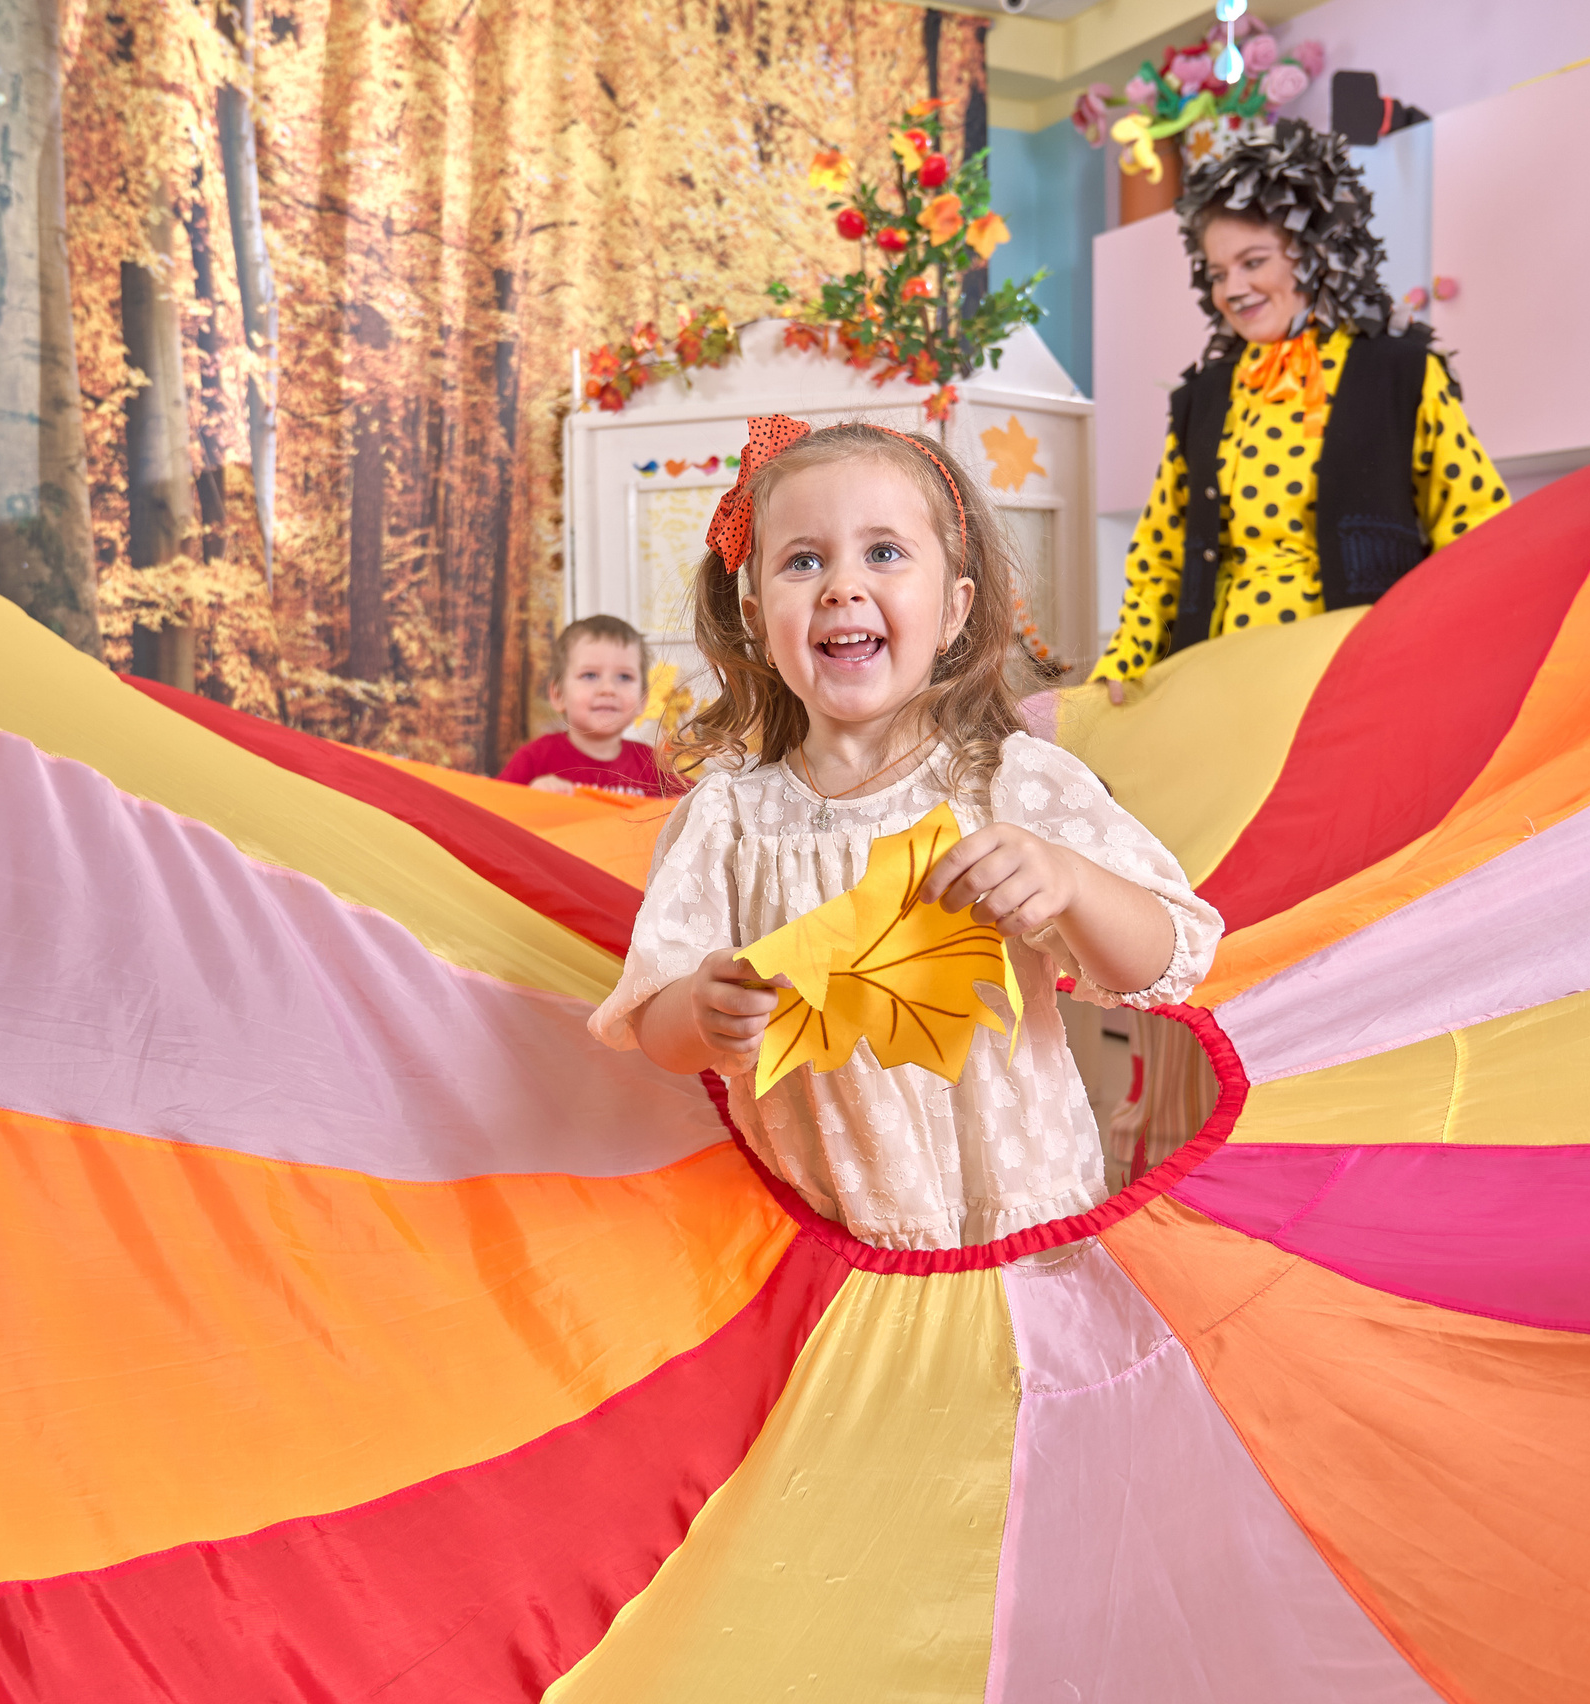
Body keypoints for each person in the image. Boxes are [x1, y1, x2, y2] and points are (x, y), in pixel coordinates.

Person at [588, 417, 1223, 1251]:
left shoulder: (1012, 785)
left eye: (883, 553)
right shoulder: (728, 821)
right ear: (756, 618)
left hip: (1021, 1215)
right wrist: (703, 1011)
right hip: (826, 1237)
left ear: (955, 608)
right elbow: (657, 1027)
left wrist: (1069, 880)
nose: (842, 586)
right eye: (803, 560)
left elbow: (1167, 962)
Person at [1092, 119, 1511, 694]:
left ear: (1315, 254)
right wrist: (1123, 663)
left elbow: (1474, 525)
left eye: (1253, 261)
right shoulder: (1203, 398)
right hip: (1220, 681)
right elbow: (1161, 555)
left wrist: (1457, 653)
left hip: (1357, 677)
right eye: (1217, 273)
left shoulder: (1401, 372)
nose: (1231, 288)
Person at [498, 614, 688, 797]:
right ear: (558, 695)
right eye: (590, 675)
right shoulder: (534, 759)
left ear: (642, 699)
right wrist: (528, 798)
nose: (608, 689)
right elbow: (491, 814)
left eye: (624, 677)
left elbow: (703, 803)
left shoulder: (653, 766)